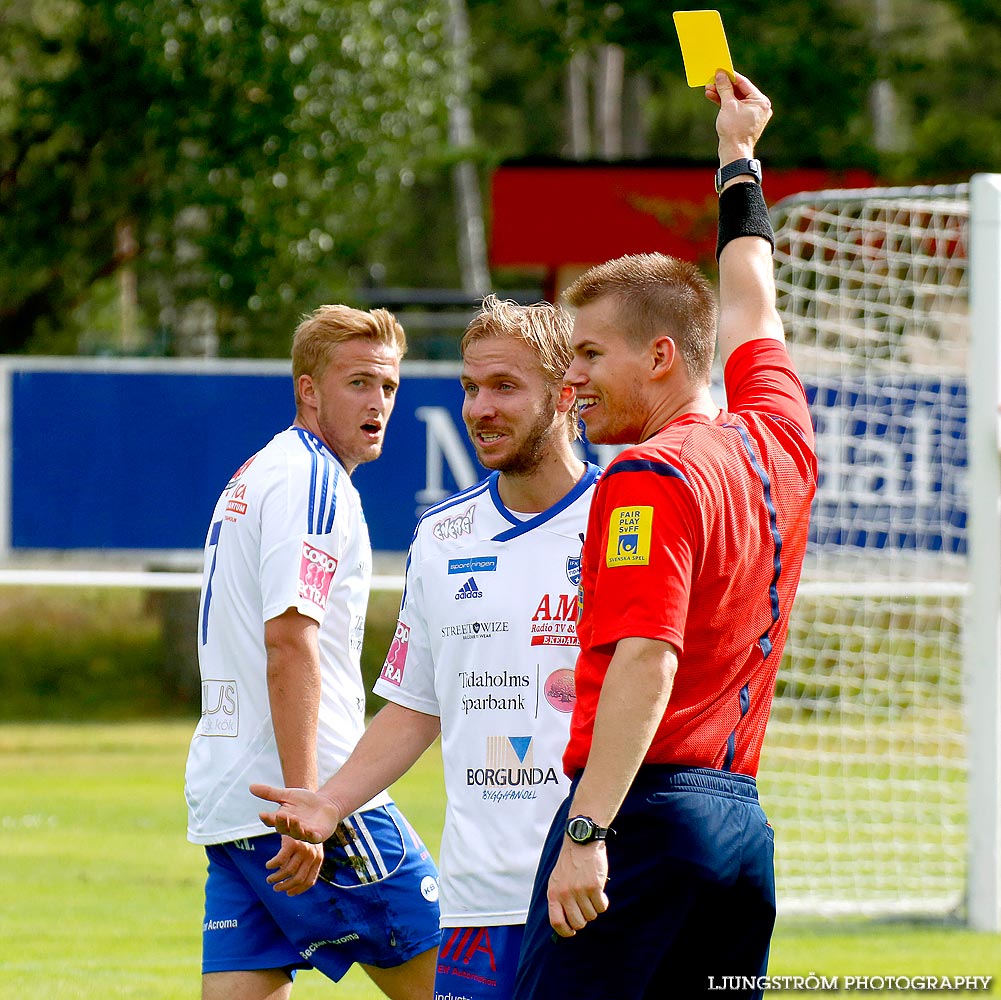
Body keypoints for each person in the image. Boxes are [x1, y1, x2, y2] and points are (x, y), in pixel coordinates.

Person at [512, 72, 818, 1000]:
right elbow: (752, 298)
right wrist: (738, 157)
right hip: (738, 833)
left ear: (660, 358)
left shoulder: (648, 475)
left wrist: (588, 832)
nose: (572, 384)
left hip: (643, 818)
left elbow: (648, 659)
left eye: (591, 357)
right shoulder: (779, 434)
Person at [251, 294, 602, 999]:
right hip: (474, 904)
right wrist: (329, 803)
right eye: (470, 388)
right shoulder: (443, 535)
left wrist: (592, 839)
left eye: (505, 387)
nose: (479, 409)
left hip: (589, 891)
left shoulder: (619, 519)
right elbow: (415, 705)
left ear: (566, 394)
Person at [183, 304, 441, 1000]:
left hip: (232, 803)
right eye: (358, 382)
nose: (378, 402)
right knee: (467, 987)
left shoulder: (259, 471)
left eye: (388, 386)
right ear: (308, 391)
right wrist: (310, 801)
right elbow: (289, 641)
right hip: (305, 798)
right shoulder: (314, 482)